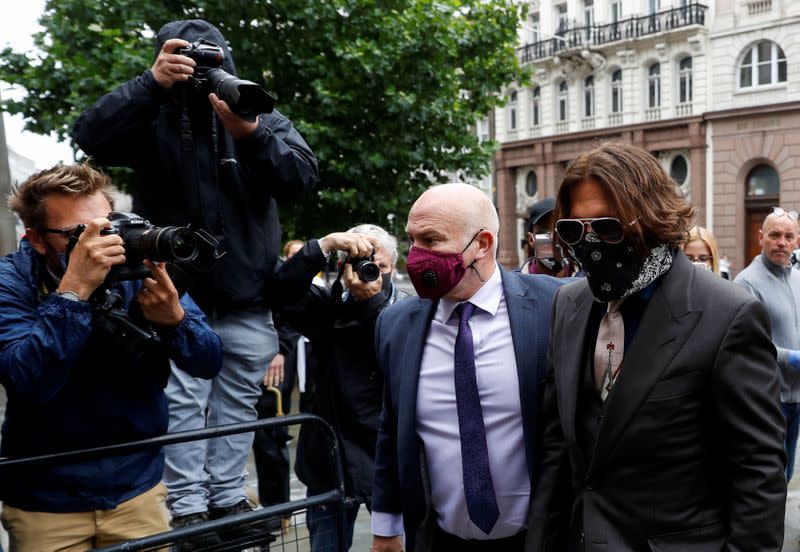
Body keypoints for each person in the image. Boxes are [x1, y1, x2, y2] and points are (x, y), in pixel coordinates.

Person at [72, 18, 319, 539]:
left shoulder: (256, 112)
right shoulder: (150, 112)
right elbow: (89, 135)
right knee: (182, 403)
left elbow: (301, 178)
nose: (202, 70)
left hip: (248, 293)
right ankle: (186, 509)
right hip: (175, 293)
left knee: (236, 405)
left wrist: (250, 133)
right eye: (188, 57)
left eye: (212, 58)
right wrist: (151, 83)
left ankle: (226, 500)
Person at [528, 142, 786, 551]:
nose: (590, 243)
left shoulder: (727, 313)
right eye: (574, 229)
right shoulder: (569, 303)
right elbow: (559, 447)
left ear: (650, 219)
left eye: (608, 227)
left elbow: (757, 473)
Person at [0, 163, 222, 551]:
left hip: (136, 487)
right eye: (78, 234)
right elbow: (27, 380)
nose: (100, 242)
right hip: (46, 502)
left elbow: (208, 361)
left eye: (106, 226)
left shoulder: (135, 266)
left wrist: (176, 321)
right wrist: (74, 291)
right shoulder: (11, 281)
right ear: (36, 239)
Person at [370, 184, 564, 552]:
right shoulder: (395, 326)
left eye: (432, 240)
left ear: (483, 244)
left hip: (540, 538)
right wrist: (384, 527)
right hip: (440, 538)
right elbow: (392, 430)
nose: (416, 256)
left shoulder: (553, 306)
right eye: (412, 240)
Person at [272, 224, 405, 551]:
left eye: (379, 265)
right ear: (344, 267)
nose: (369, 271)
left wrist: (373, 304)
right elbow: (281, 292)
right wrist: (325, 244)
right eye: (359, 261)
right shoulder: (327, 308)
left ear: (394, 269)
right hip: (327, 461)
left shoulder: (405, 311)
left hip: (386, 460)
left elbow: (397, 359)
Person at [735, 207, 800, 481]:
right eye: (774, 235)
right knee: (766, 479)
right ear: (761, 237)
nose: (781, 242)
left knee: (785, 475)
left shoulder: (798, 278)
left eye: (788, 236)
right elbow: (747, 344)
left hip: (796, 398)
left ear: (797, 241)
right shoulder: (746, 283)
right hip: (768, 399)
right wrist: (791, 357)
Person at [520, 197, 570, 277]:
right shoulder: (515, 285)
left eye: (560, 228)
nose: (554, 238)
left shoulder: (588, 283)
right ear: (531, 239)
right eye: (545, 230)